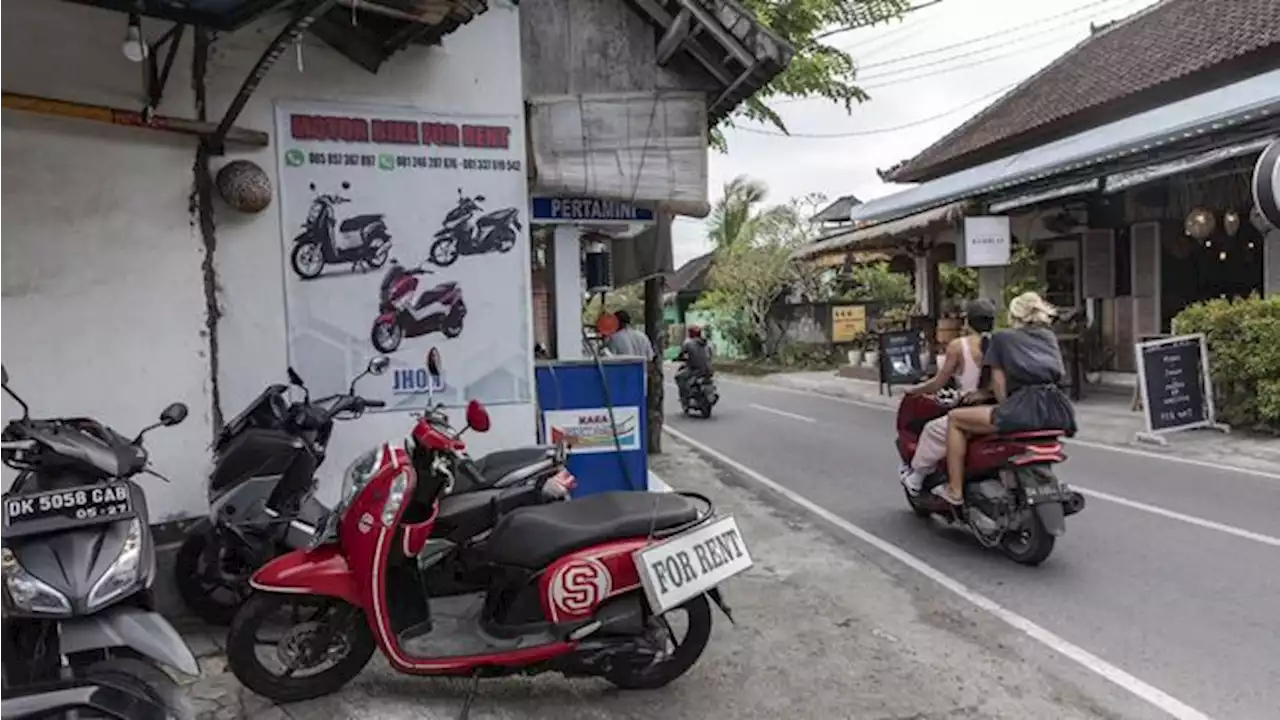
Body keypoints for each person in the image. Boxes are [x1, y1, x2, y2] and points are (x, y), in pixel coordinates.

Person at [934, 291, 1077, 506]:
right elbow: (1059, 372)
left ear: (1014, 315)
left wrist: (1003, 406)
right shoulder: (1049, 337)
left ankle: (954, 490)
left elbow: (998, 384)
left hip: (1021, 408)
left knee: (955, 419)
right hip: (1055, 407)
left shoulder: (1002, 338)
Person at [899, 299, 997, 495]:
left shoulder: (958, 346)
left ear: (967, 321)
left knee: (931, 430)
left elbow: (939, 382)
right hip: (997, 408)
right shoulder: (1001, 343)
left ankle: (918, 478)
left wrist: (914, 390)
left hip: (971, 410)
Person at [675, 325, 714, 402]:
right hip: (708, 369)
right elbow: (711, 355)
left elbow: (681, 354)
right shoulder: (708, 343)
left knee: (678, 377)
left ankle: (684, 397)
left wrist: (679, 358)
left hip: (694, 369)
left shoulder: (688, 343)